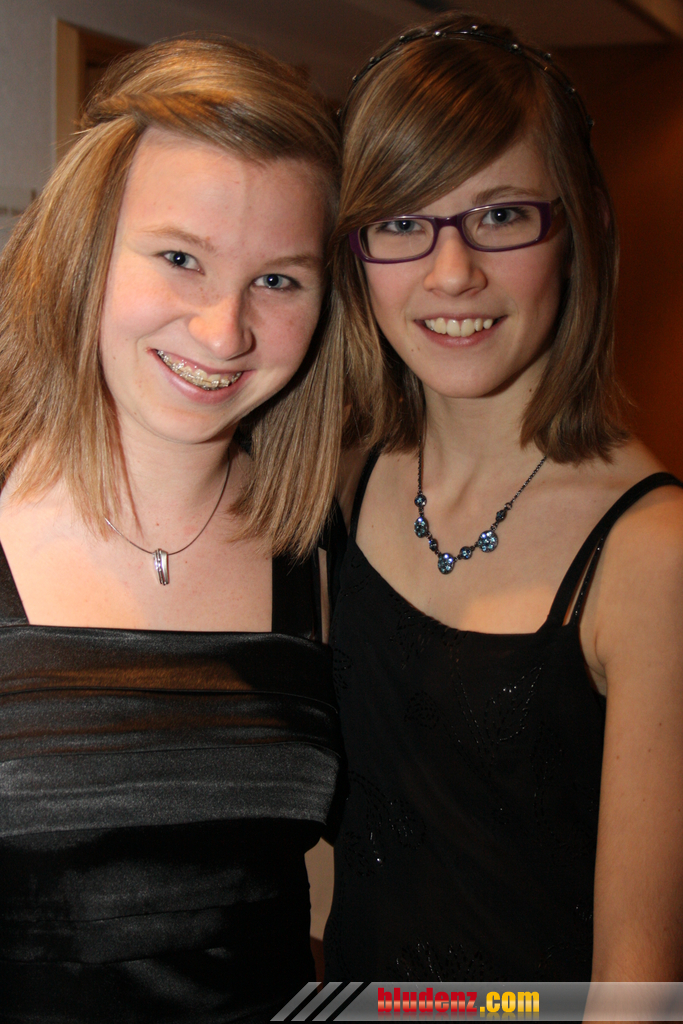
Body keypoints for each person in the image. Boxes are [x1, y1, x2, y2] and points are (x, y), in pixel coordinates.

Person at [323, 14, 683, 983]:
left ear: (579, 227)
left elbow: (637, 978)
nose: (452, 273)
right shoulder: (348, 474)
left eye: (499, 215)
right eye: (402, 222)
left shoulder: (650, 552)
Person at [0, 35, 342, 1022]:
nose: (223, 330)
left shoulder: (325, 547)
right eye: (181, 258)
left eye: (278, 279)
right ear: (86, 252)